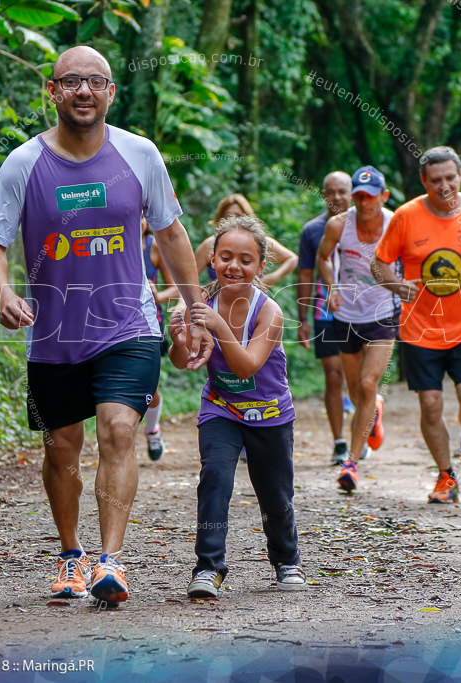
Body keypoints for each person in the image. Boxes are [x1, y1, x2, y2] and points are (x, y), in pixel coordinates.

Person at [0, 46, 211, 606]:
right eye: (72, 81)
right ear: (52, 92)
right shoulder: (23, 164)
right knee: (62, 447)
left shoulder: (140, 154)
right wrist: (4, 291)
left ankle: (111, 561)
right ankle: (69, 555)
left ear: (111, 93)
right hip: (54, 333)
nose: (84, 91)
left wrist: (196, 307)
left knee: (119, 430)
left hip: (127, 324)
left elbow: (172, 234)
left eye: (96, 82)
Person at [169, 215, 306, 597]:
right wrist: (180, 339)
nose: (234, 266)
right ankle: (208, 568)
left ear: (262, 266)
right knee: (215, 479)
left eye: (246, 260)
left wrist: (219, 326)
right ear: (212, 259)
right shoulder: (198, 304)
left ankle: (286, 560)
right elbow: (182, 361)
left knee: (275, 496)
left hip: (270, 414)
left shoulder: (269, 312)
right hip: (221, 408)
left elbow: (247, 364)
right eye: (226, 256)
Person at [370, 146, 461, 503]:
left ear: (460, 175)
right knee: (431, 405)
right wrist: (396, 285)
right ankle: (446, 477)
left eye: (450, 178)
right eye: (436, 181)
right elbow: (379, 263)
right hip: (420, 329)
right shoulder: (405, 216)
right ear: (424, 181)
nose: (444, 186)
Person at [316, 166, 399, 491]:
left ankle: (351, 463)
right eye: (359, 197)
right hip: (347, 315)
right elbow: (323, 257)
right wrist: (332, 287)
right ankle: (374, 408)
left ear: (383, 195)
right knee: (355, 388)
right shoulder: (339, 224)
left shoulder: (396, 223)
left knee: (366, 383)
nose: (365, 203)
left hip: (383, 313)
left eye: (370, 197)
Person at [297, 171, 353, 464]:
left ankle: (366, 420)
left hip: (366, 312)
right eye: (330, 191)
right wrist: (302, 318)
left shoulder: (370, 226)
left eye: (342, 191)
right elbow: (305, 273)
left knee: (361, 379)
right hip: (326, 311)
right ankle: (340, 441)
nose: (336, 197)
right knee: (334, 375)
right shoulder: (313, 230)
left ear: (353, 193)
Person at [194, 194, 299, 286]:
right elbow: (189, 278)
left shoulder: (259, 242)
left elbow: (292, 259)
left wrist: (271, 278)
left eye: (245, 260)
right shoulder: (210, 244)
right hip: (218, 301)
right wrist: (183, 302)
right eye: (225, 258)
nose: (233, 220)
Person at [142, 217, 180, 460]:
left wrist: (157, 293)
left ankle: (152, 431)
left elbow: (175, 286)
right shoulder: (104, 244)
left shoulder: (152, 246)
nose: (140, 220)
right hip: (109, 327)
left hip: (149, 326)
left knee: (150, 388)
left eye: (143, 215)